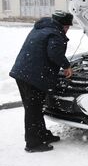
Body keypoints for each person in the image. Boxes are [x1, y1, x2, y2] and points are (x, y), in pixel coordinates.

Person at [10, 10, 74, 153]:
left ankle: (42, 134)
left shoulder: (42, 28)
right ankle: (33, 143)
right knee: (33, 109)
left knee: (35, 107)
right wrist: (66, 65)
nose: (68, 29)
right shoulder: (56, 33)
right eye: (68, 26)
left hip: (23, 73)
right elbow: (54, 53)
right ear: (63, 25)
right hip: (33, 76)